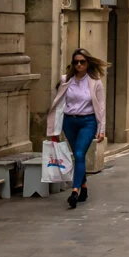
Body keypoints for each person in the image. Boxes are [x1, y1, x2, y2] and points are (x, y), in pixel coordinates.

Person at [46, 48, 106, 210]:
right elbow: (58, 103)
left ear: (88, 63)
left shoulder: (95, 81)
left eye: (82, 62)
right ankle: (84, 188)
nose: (79, 64)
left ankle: (74, 191)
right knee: (77, 157)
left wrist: (102, 129)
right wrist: (54, 127)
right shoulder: (66, 80)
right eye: (76, 62)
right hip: (69, 122)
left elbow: (101, 107)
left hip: (88, 122)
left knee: (79, 153)